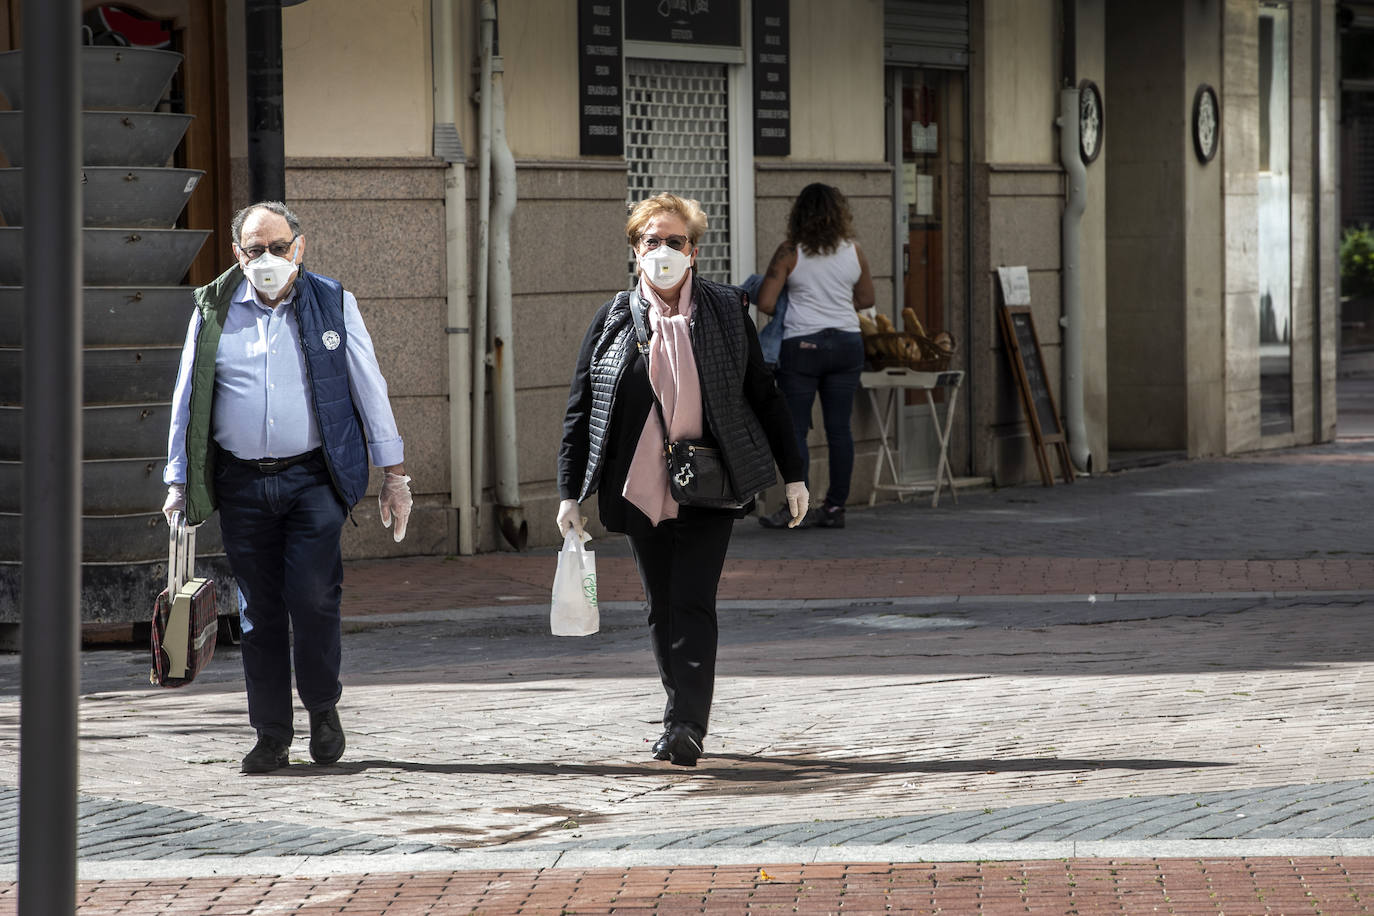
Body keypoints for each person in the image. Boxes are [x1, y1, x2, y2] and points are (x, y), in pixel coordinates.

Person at [557, 193, 809, 767]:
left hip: (712, 480)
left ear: (694, 252)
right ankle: (679, 710)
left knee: (692, 601)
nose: (663, 252)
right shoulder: (613, 319)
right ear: (635, 250)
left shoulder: (726, 309)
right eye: (652, 242)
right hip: (640, 483)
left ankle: (686, 724)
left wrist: (793, 475)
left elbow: (763, 396)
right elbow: (582, 410)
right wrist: (569, 492)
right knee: (659, 604)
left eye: (675, 242)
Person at [162, 201, 413, 775]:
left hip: (312, 479)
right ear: (237, 254)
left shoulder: (332, 300)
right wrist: (178, 479)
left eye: (279, 247)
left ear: (299, 247)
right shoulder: (213, 308)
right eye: (256, 250)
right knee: (260, 612)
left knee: (313, 595)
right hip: (243, 481)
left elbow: (368, 387)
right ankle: (272, 733)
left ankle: (323, 708)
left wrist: (393, 474)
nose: (268, 259)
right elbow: (187, 399)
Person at [754, 183, 876, 530]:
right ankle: (835, 507)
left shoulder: (790, 251)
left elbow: (765, 301)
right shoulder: (854, 250)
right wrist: (835, 306)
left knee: (795, 430)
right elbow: (866, 298)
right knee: (840, 429)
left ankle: (797, 510)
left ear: (799, 214)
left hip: (803, 347)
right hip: (847, 344)